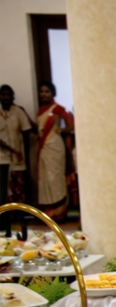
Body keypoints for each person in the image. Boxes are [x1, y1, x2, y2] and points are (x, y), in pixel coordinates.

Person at [36, 80, 74, 220]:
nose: (44, 94)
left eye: (47, 91)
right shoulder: (40, 110)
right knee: (45, 177)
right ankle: (49, 211)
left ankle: (59, 211)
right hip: (44, 147)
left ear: (53, 93)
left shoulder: (58, 109)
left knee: (55, 177)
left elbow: (71, 125)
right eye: (42, 91)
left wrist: (61, 130)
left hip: (55, 147)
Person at [0, 84, 34, 237]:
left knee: (18, 192)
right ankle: (4, 224)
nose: (6, 97)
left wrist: (23, 154)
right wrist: (12, 150)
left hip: (17, 160)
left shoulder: (18, 111)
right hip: (1, 159)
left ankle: (21, 224)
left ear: (12, 96)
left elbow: (27, 132)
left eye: (9, 94)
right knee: (2, 193)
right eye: (3, 94)